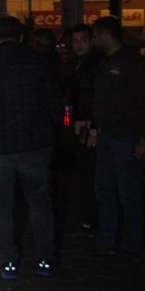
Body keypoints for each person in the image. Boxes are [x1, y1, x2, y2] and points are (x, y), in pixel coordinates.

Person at [0, 16, 62, 279]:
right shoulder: (39, 64)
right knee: (39, 202)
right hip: (34, 144)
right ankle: (45, 261)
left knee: (1, 204)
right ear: (21, 37)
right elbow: (53, 105)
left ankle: (8, 263)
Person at [91, 16, 145, 259]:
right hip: (109, 136)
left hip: (125, 138)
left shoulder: (132, 64)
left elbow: (141, 103)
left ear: (104, 35)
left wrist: (142, 139)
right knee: (106, 190)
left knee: (128, 193)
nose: (93, 40)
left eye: (94, 35)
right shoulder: (108, 62)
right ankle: (108, 237)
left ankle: (131, 242)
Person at [64, 23, 103, 233]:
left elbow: (98, 99)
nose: (78, 45)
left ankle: (92, 217)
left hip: (90, 124)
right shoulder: (76, 64)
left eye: (83, 40)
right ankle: (88, 215)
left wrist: (95, 127)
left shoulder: (94, 65)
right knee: (85, 171)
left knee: (91, 171)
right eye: (75, 40)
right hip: (81, 123)